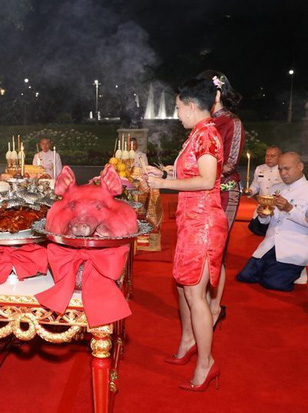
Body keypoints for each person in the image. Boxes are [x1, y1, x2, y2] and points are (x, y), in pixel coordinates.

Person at [146, 75, 227, 391]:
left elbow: (207, 180)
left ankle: (206, 364)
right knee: (183, 288)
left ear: (192, 106)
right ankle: (189, 341)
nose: (177, 113)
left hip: (203, 224)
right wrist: (164, 172)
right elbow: (191, 172)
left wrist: (163, 183)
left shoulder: (207, 135)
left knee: (195, 294)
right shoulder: (198, 133)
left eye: (178, 107)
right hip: (190, 221)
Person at [195, 70, 244, 334]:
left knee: (217, 251)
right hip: (203, 192)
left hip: (224, 192)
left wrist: (198, 174)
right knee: (202, 249)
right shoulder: (202, 120)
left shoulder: (231, 122)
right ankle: (202, 302)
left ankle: (215, 308)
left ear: (216, 93)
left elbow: (230, 163)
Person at [236, 152, 308, 291]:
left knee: (272, 284)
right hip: (270, 244)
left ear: (300, 167)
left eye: (287, 168)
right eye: (280, 169)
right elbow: (267, 221)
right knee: (245, 276)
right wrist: (263, 215)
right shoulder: (276, 188)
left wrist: (289, 209)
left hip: (294, 248)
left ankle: (299, 270)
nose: (283, 173)